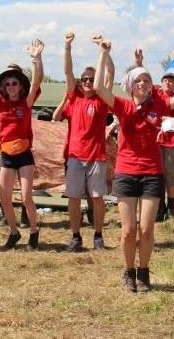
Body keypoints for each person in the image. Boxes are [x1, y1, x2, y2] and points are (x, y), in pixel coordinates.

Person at [93, 39, 174, 293]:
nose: (143, 83)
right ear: (130, 86)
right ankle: (128, 272)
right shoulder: (123, 106)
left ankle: (144, 273)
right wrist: (104, 54)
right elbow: (97, 87)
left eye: (147, 80)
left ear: (151, 86)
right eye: (138, 80)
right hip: (126, 173)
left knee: (146, 229)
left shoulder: (158, 106)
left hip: (152, 173)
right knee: (128, 232)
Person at [0, 35, 44, 250]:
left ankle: (33, 232)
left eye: (15, 82)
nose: (11, 85)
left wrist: (36, 59)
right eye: (7, 83)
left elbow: (36, 81)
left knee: (26, 198)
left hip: (24, 154)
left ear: (19, 86)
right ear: (4, 88)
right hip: (5, 154)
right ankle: (14, 232)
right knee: (4, 197)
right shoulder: (0, 102)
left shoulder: (27, 102)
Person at [60, 33, 114, 251]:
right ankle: (75, 237)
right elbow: (67, 71)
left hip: (96, 157)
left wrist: (104, 52)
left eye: (92, 79)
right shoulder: (75, 97)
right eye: (85, 79)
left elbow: (109, 72)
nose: (89, 82)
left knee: (97, 197)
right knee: (73, 197)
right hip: (75, 156)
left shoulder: (102, 99)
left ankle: (98, 236)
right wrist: (67, 46)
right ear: (80, 83)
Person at [134, 49, 174, 221]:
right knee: (157, 174)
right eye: (164, 80)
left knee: (171, 175)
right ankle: (160, 207)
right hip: (156, 141)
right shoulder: (157, 95)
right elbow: (144, 80)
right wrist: (140, 63)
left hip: (173, 141)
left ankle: (171, 204)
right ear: (160, 83)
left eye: (171, 80)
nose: (167, 82)